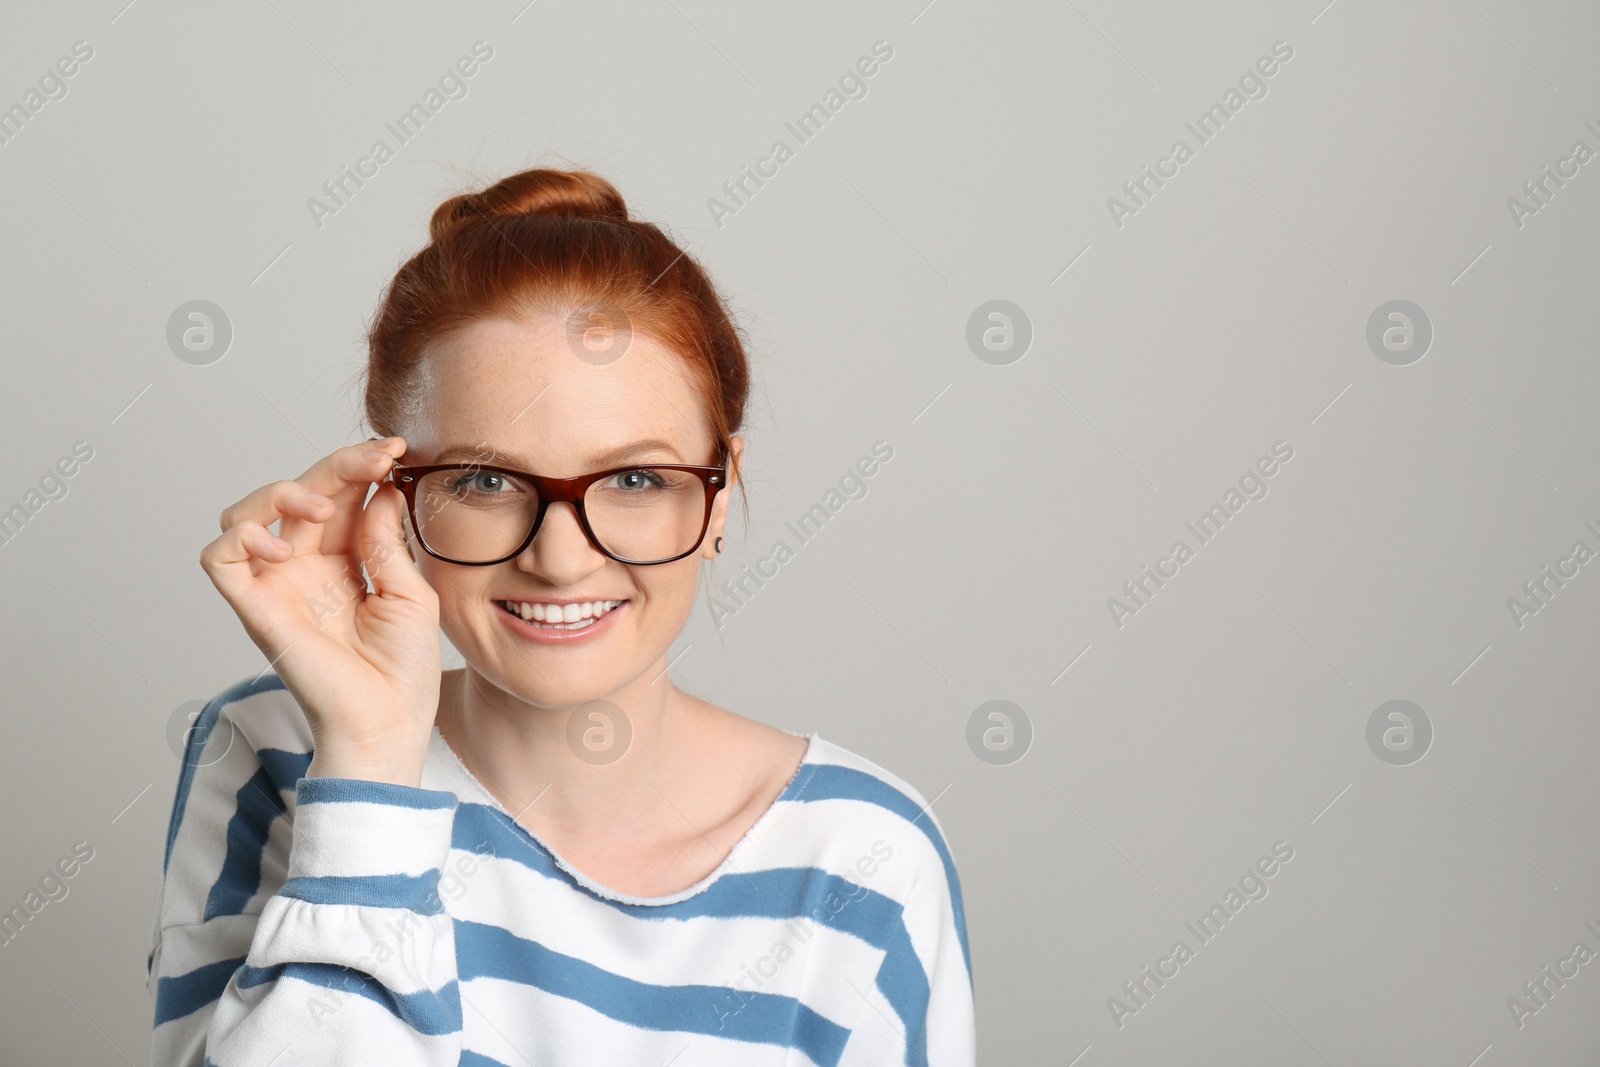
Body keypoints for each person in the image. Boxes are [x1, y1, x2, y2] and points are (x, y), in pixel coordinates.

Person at [146, 167, 974, 1066]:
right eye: (486, 480)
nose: (560, 556)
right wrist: (371, 759)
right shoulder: (279, 752)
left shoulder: (867, 859)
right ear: (393, 500)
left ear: (722, 491)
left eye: (635, 479)